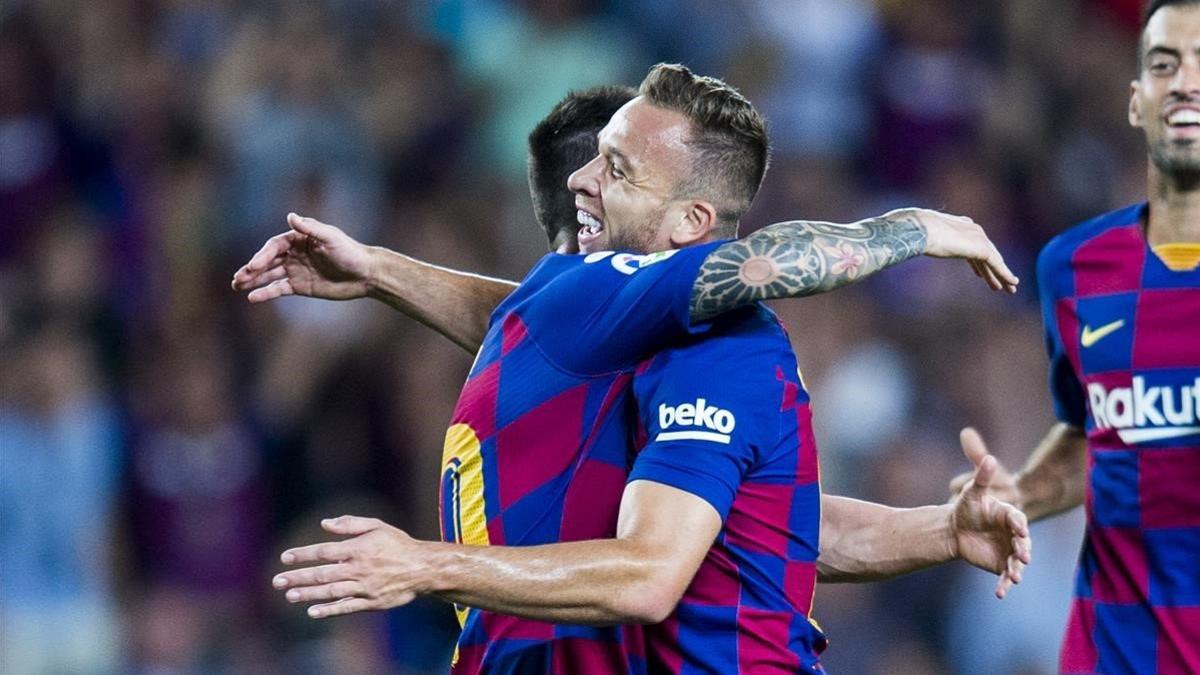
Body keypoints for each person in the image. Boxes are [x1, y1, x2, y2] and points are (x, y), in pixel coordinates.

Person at [237, 67, 1026, 672]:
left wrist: (915, 227)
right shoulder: (600, 319)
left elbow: (653, 572)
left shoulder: (723, 346)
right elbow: (520, 330)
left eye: (616, 169)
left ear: (692, 224)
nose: (582, 179)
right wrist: (376, 272)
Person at [947, 2, 1200, 672]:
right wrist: (1022, 492)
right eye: (1164, 65)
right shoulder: (1074, 266)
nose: (1185, 84)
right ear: (1134, 101)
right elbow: (1095, 437)